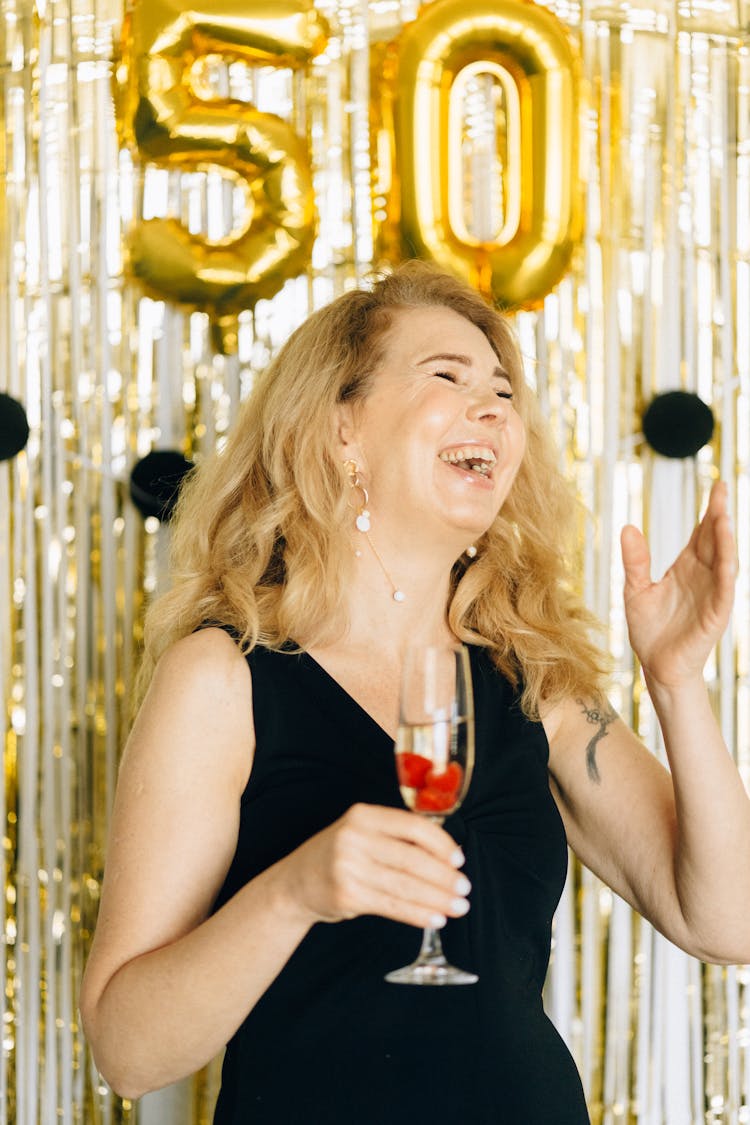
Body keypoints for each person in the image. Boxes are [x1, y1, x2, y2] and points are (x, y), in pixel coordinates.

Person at [80, 261, 749, 1124]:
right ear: (340, 428)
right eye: (448, 376)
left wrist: (676, 683)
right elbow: (128, 1051)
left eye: (504, 392)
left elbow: (726, 920)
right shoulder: (223, 676)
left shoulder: (531, 680)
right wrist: (296, 891)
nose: (495, 409)